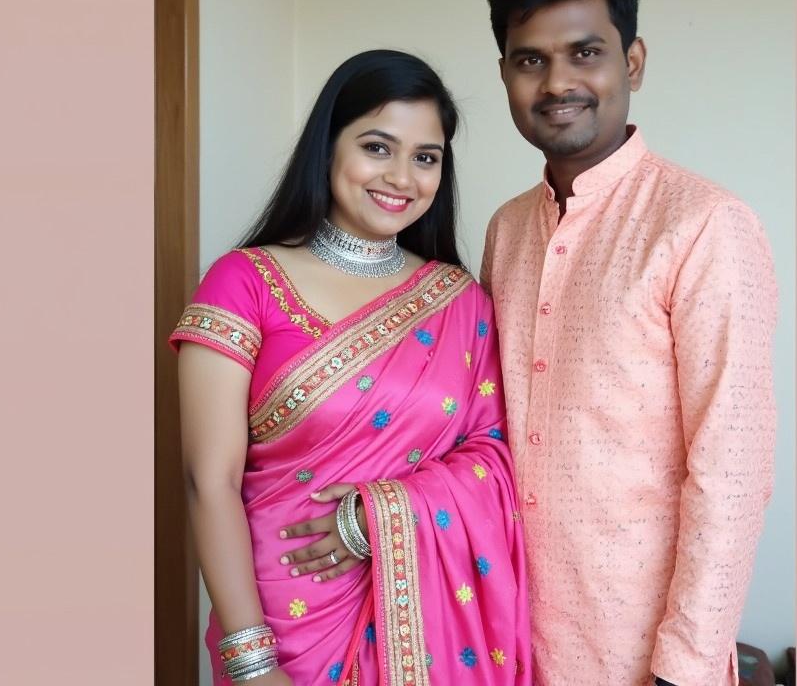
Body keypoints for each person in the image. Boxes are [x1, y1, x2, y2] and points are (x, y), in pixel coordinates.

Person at [171, 50, 530, 685]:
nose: (401, 177)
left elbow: (496, 456)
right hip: (281, 624)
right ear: (327, 147)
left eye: (426, 157)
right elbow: (210, 481)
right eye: (377, 147)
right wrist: (254, 665)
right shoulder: (245, 282)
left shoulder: (463, 303)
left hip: (427, 623)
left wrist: (381, 515)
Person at [480, 0, 779, 686]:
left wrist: (683, 666)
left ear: (633, 62)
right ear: (506, 75)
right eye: (529, 60)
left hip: (640, 657)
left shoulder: (704, 223)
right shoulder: (507, 229)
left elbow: (731, 467)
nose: (558, 83)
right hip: (510, 638)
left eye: (586, 52)